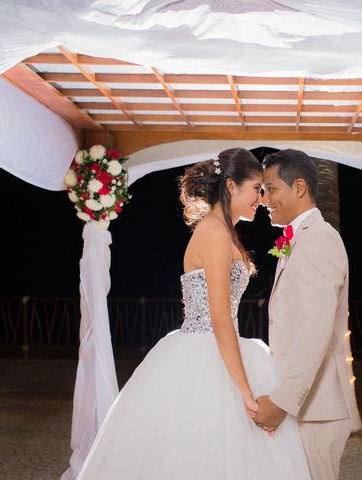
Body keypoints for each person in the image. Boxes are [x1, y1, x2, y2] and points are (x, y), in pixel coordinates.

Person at [77, 148, 310, 480]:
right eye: (256, 188)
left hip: (223, 347)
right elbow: (219, 319)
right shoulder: (214, 233)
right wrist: (245, 392)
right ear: (231, 186)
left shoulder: (224, 231)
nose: (260, 197)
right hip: (206, 349)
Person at [254, 149, 357, 480]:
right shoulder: (299, 240)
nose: (264, 198)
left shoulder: (320, 240)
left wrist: (281, 402)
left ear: (298, 187)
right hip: (304, 407)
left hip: (317, 410)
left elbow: (315, 330)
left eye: (270, 188)